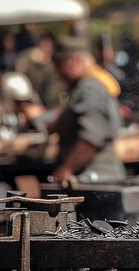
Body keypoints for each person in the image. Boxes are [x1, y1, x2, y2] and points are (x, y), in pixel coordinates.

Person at [49, 36, 125, 183]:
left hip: (95, 180)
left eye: (59, 64)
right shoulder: (83, 87)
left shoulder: (89, 88)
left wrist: (67, 169)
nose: (57, 71)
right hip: (92, 179)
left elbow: (91, 137)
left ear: (75, 61)